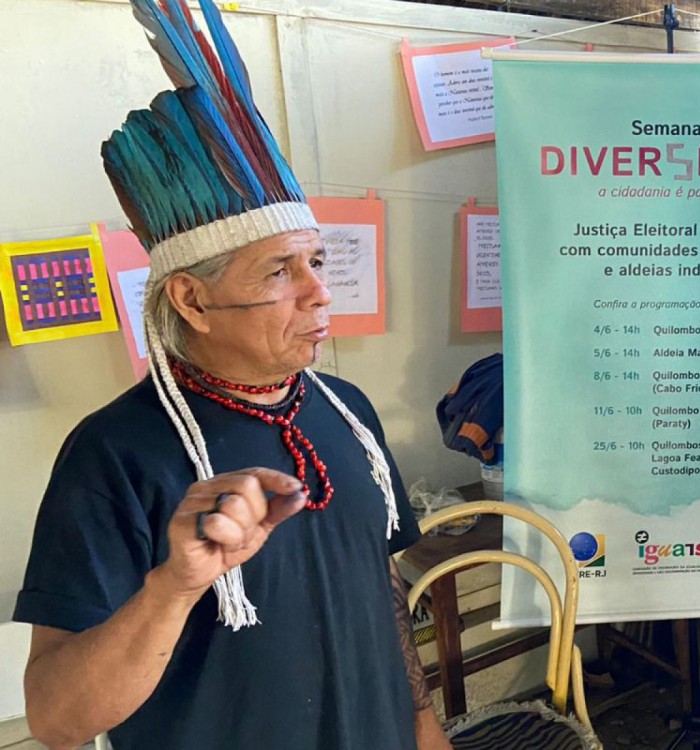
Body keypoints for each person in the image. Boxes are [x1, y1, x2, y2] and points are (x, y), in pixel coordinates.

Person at [13, 2, 452, 749]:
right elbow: (57, 721)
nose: (319, 291)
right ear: (193, 299)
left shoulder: (347, 410)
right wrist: (176, 584)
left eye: (316, 261)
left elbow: (378, 583)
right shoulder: (114, 453)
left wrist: (421, 721)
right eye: (280, 270)